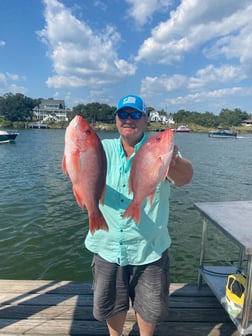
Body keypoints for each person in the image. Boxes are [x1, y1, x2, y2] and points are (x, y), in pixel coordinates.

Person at [85, 94, 193, 336]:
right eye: (123, 114)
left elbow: (185, 178)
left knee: (149, 308)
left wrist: (173, 160)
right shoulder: (102, 149)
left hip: (150, 249)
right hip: (108, 246)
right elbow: (83, 170)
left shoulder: (159, 148)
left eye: (136, 115)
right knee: (111, 303)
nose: (129, 120)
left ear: (145, 120)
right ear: (116, 119)